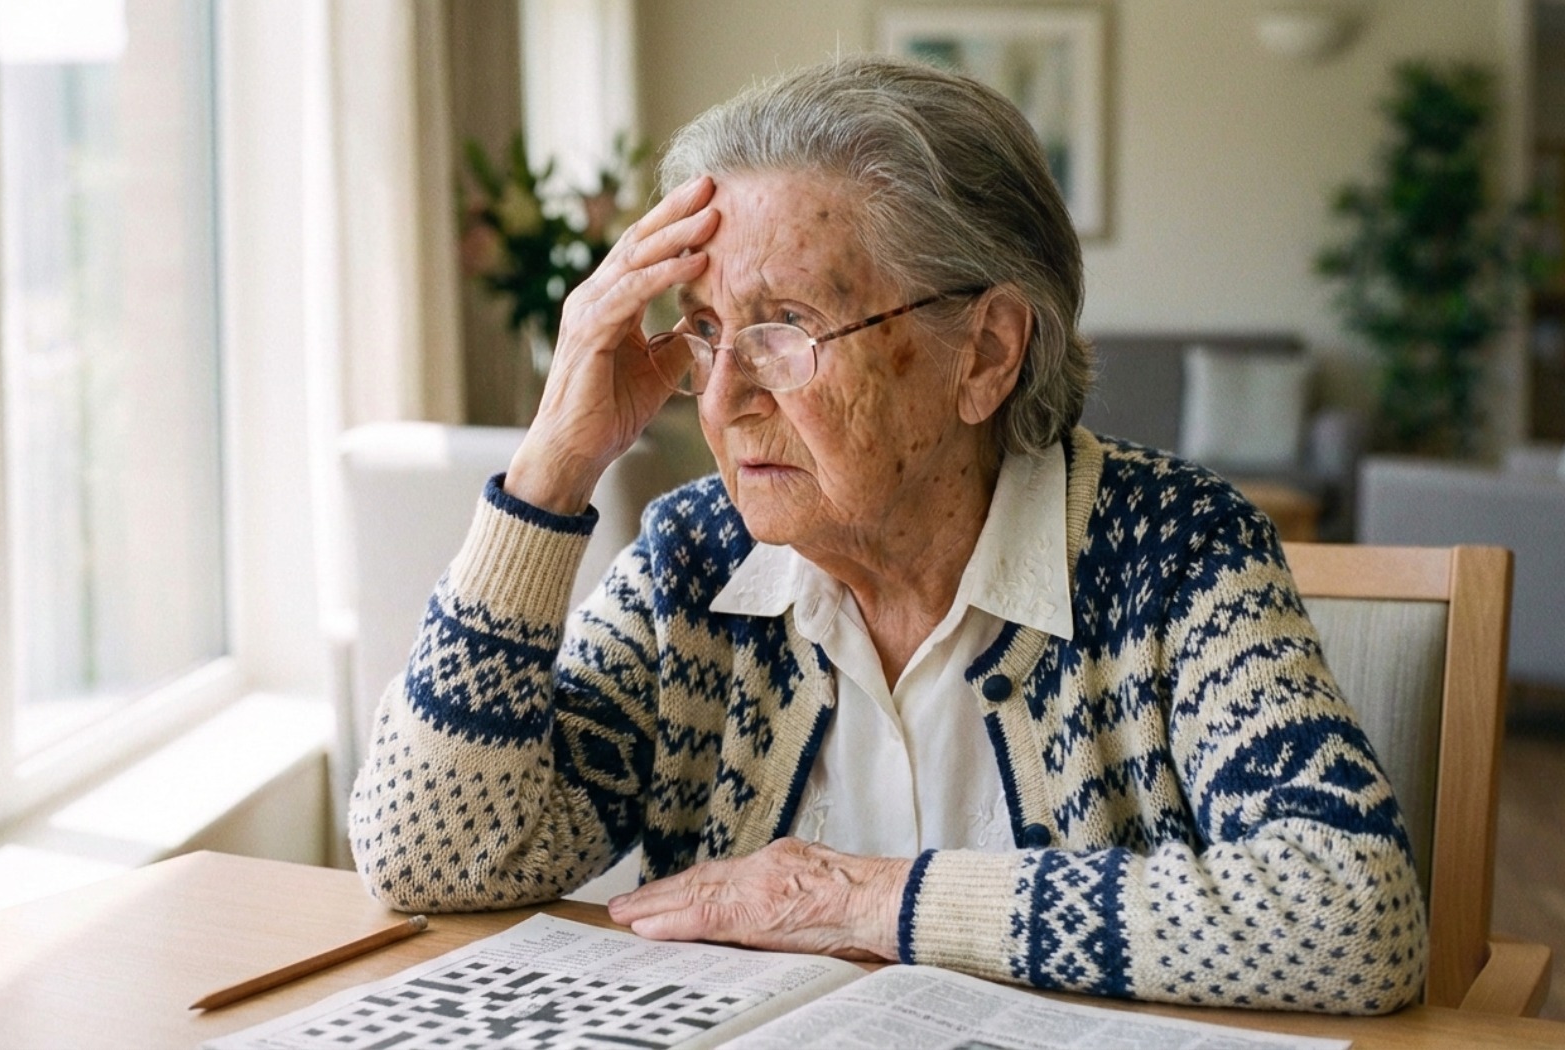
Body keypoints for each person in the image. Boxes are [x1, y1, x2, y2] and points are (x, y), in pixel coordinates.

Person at [349, 53, 1426, 1015]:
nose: (721, 397)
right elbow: (430, 862)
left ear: (985, 355)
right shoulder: (696, 560)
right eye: (709, 329)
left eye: (783, 328)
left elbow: (1351, 916)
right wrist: (551, 468)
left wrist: (864, 900)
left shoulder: (1175, 553)